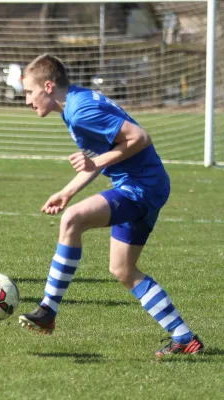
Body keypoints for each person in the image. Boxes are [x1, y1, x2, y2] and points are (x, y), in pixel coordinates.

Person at [17, 54, 204, 358]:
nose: (27, 100)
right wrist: (67, 191)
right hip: (145, 184)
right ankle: (184, 337)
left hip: (141, 186)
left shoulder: (81, 111)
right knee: (122, 268)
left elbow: (140, 138)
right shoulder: (73, 105)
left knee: (72, 220)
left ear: (48, 86)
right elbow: (100, 157)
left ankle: (48, 310)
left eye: (28, 92)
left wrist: (95, 165)